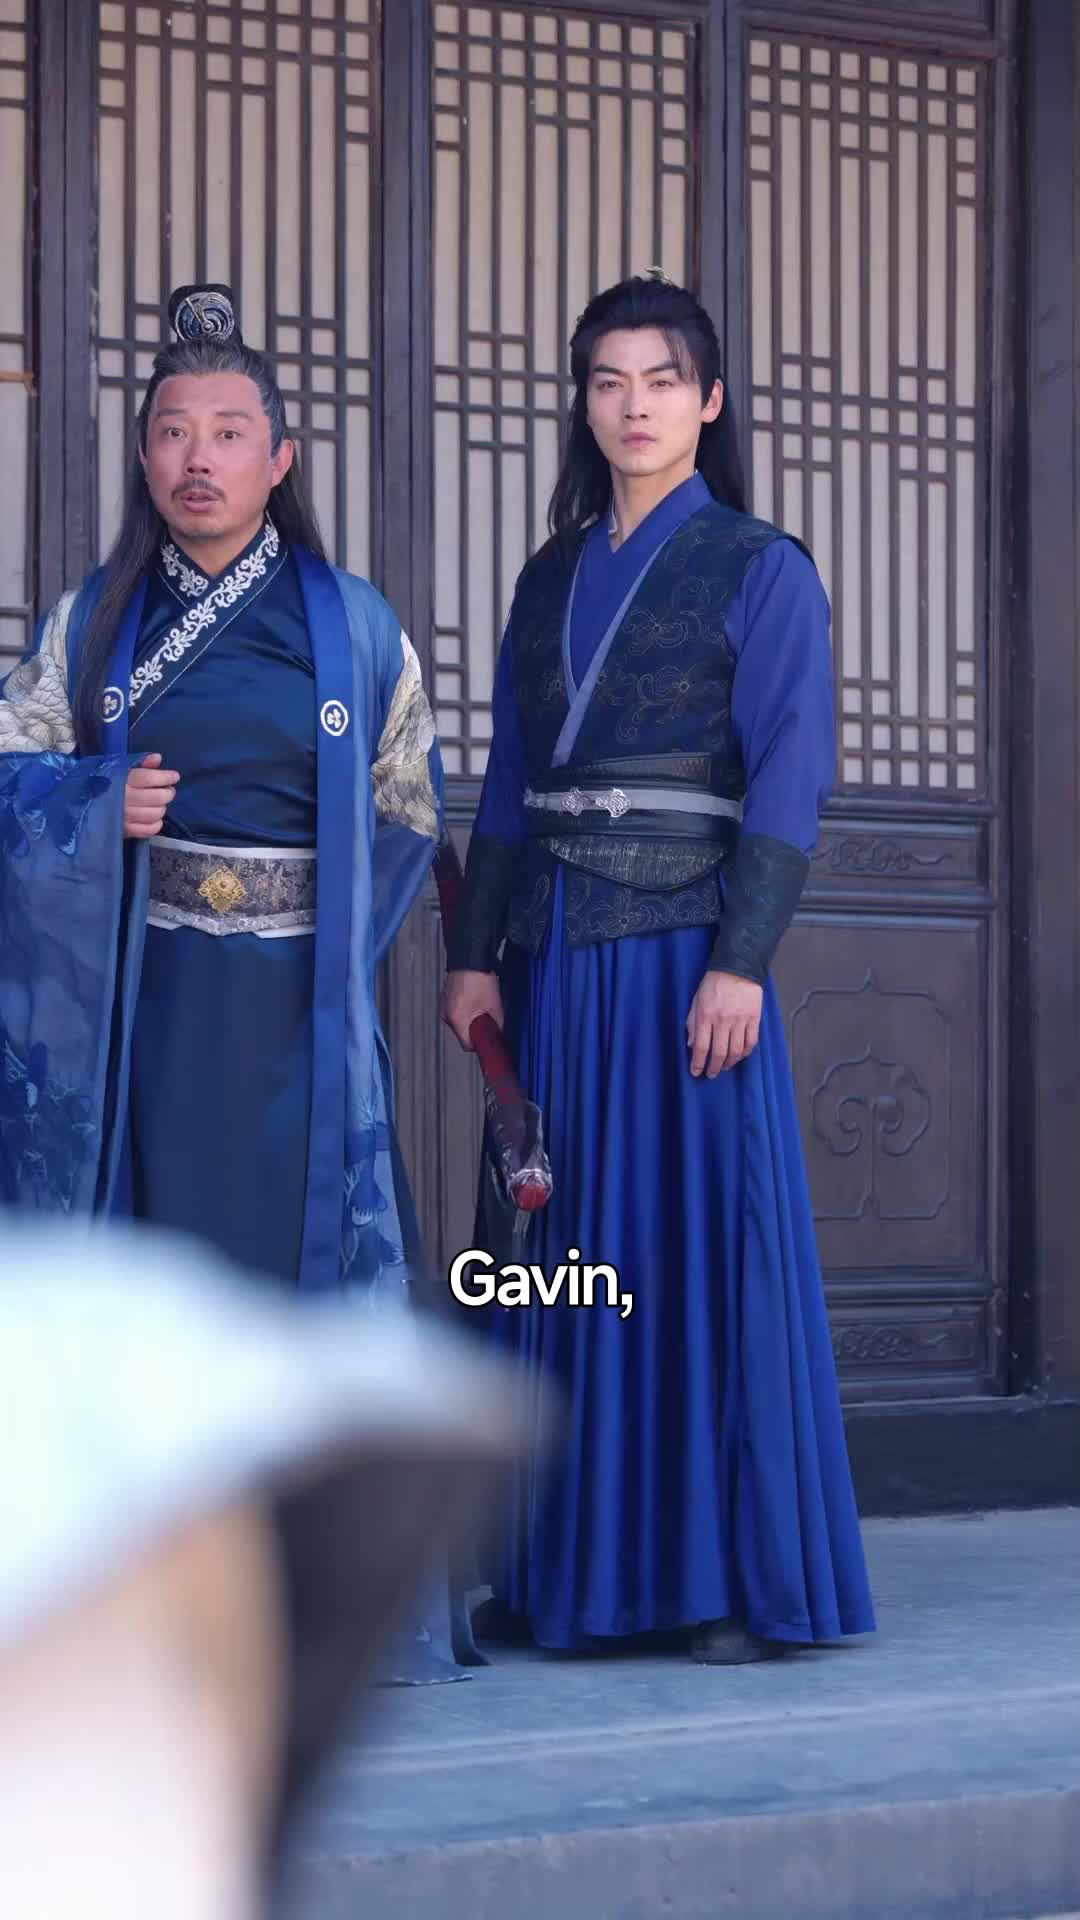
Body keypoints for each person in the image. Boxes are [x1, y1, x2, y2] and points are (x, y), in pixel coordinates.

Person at [0, 283, 458, 1679]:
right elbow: (13, 771)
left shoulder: (355, 627)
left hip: (294, 1022)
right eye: (171, 432)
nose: (197, 458)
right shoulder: (92, 625)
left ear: (280, 458)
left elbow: (409, 804)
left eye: (228, 431)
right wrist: (97, 807)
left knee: (290, 1303)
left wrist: (328, 949)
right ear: (144, 456)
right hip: (142, 1017)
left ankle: (305, 1598)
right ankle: (140, 1599)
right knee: (149, 1299)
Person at [441, 273, 876, 1663]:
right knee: (559, 1261)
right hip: (556, 959)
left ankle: (715, 1583)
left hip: (689, 956)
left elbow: (791, 776)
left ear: (710, 401)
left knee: (687, 1258)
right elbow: (511, 783)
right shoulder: (549, 577)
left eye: (662, 380)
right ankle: (558, 1570)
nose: (634, 406)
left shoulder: (761, 565)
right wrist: (473, 957)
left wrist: (742, 962)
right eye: (608, 381)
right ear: (583, 403)